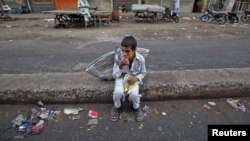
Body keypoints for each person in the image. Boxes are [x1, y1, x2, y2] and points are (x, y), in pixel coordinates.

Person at [110, 36, 146, 122]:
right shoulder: (118, 57)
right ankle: (117, 106)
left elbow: (143, 72)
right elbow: (114, 75)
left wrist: (137, 78)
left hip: (133, 78)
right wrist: (120, 66)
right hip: (121, 77)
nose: (124, 53)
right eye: (123, 50)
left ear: (134, 50)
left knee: (134, 95)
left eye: (127, 51)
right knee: (118, 92)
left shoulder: (140, 59)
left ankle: (136, 107)